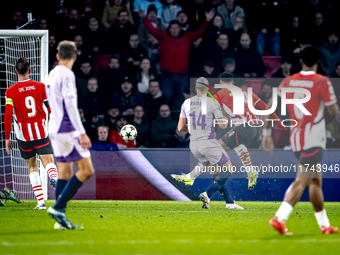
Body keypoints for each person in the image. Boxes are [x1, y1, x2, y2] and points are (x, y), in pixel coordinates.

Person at [262, 46, 339, 235]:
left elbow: (271, 106)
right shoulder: (322, 81)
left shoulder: (288, 81)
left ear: (301, 61)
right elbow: (333, 112)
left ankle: (324, 225)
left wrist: (266, 133)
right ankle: (279, 218)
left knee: (315, 182)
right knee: (304, 179)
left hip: (296, 138)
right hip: (314, 137)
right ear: (318, 61)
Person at [172, 72, 285, 191]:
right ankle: (251, 171)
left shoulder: (220, 94)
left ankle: (191, 177)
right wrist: (279, 123)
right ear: (233, 83)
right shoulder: (247, 92)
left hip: (244, 128)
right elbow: (266, 108)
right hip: (257, 129)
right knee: (237, 145)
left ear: (220, 83)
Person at [46, 41, 94, 230]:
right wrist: (81, 133)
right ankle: (58, 207)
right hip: (67, 128)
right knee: (87, 170)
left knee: (64, 173)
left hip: (54, 128)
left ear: (58, 56)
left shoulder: (52, 73)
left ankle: (60, 221)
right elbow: (71, 104)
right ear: (75, 57)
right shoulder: (67, 74)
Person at [173, 77, 241, 209]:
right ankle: (207, 194)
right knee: (228, 169)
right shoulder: (212, 102)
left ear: (195, 88)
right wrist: (227, 120)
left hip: (194, 145)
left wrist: (194, 128)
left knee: (217, 173)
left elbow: (180, 128)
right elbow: (222, 126)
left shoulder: (186, 103)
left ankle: (229, 203)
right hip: (208, 143)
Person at [4, 57, 59, 210]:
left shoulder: (10, 92)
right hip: (41, 132)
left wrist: (7, 137)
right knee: (48, 162)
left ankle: (41, 203)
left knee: (32, 167)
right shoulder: (41, 87)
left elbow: (8, 115)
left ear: (15, 72)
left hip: (24, 136)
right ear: (29, 71)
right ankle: (54, 178)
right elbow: (50, 108)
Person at [139, 7, 215, 100]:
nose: (174, 30)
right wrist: (144, 17)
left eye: (176, 28)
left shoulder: (187, 37)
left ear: (180, 29)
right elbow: (151, 29)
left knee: (185, 99)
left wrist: (207, 20)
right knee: (167, 97)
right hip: (167, 76)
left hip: (182, 75)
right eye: (172, 28)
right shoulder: (163, 36)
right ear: (169, 29)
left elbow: (199, 33)